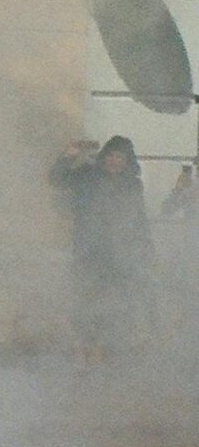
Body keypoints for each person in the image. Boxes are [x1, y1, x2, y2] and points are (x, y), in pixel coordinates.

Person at [49, 135, 153, 360]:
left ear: (128, 161)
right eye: (112, 156)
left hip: (120, 255)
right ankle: (85, 349)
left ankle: (108, 351)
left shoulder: (133, 184)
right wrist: (67, 157)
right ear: (104, 157)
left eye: (121, 157)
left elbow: (139, 218)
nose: (115, 161)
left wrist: (146, 248)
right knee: (85, 300)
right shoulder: (87, 175)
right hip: (88, 251)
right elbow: (56, 179)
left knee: (116, 304)